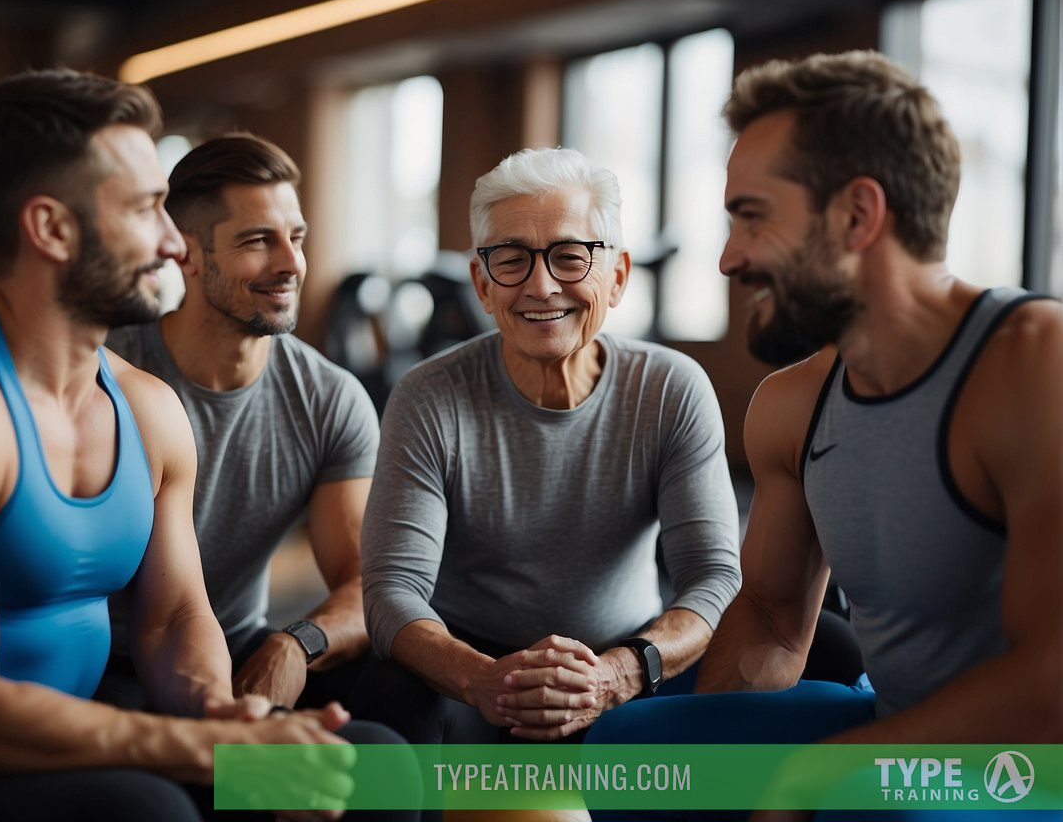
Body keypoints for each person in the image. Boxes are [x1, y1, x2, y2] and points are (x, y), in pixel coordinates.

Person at [0, 68, 412, 822]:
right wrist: (202, 753)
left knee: (372, 770)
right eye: (148, 209)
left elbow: (174, 618)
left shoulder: (146, 408)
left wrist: (227, 718)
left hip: (79, 749)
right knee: (141, 809)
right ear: (51, 228)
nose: (175, 241)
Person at [585, 50, 1061, 820]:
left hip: (1030, 766)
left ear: (856, 215)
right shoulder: (794, 403)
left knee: (871, 806)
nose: (728, 258)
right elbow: (772, 618)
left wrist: (816, 776)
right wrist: (710, 790)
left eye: (752, 217)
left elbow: (1049, 690)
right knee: (634, 753)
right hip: (895, 728)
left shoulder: (1035, 366)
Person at [352, 146, 743, 747]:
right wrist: (488, 682)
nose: (541, 285)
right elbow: (390, 594)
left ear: (616, 277)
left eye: (569, 256)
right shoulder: (428, 396)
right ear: (482, 285)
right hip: (467, 667)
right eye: (511, 260)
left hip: (630, 659)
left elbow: (714, 578)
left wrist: (619, 672)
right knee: (383, 717)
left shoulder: (671, 388)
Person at [100, 132, 378, 712]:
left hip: (240, 647)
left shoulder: (329, 398)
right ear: (187, 252)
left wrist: (296, 644)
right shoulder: (107, 374)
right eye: (258, 240)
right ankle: (244, 785)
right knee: (182, 799)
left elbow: (364, 583)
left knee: (390, 740)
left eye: (296, 237)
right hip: (109, 663)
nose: (291, 264)